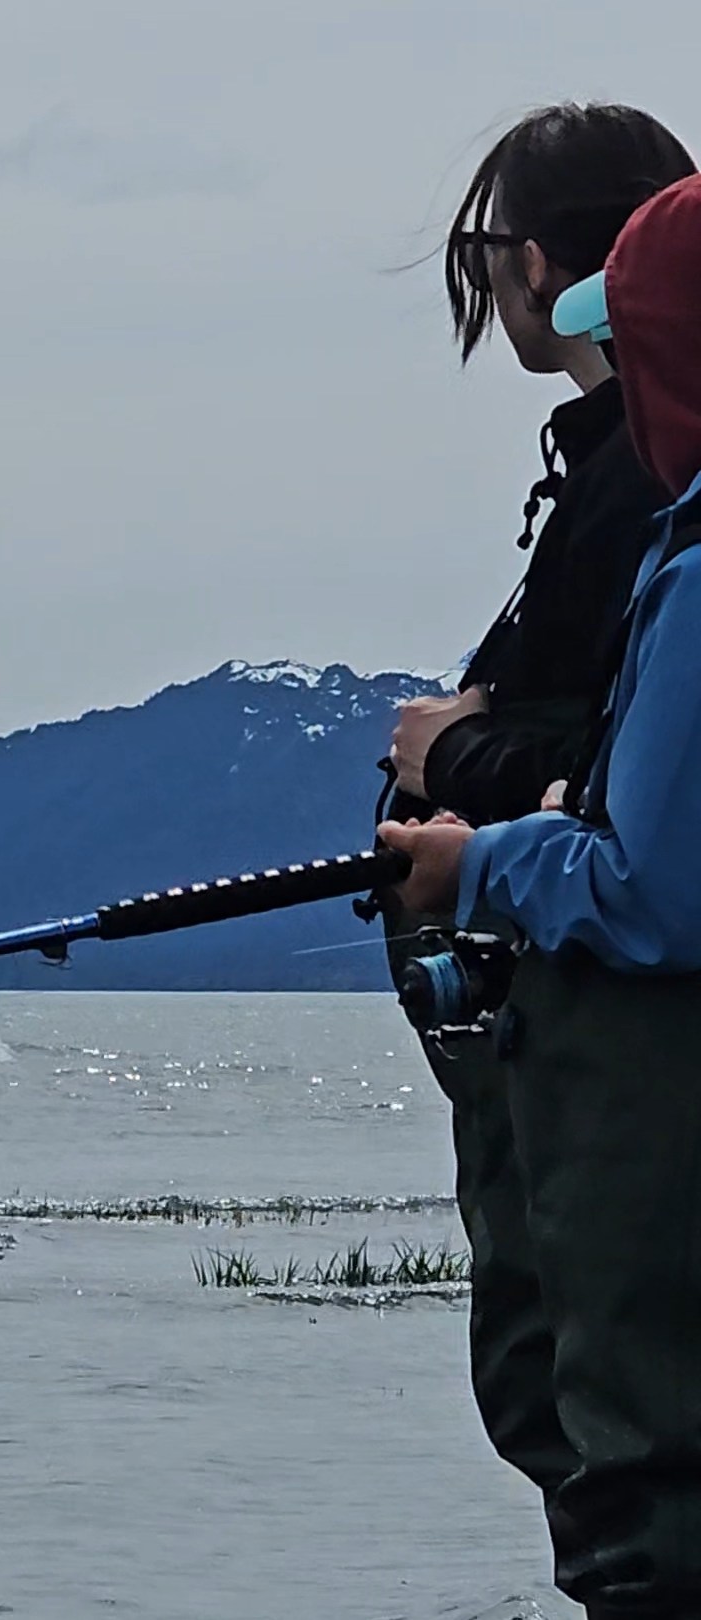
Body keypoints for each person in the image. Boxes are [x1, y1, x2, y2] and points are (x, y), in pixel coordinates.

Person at [383, 170, 701, 1619]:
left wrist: (477, 830)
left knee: (633, 1474)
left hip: (631, 1076)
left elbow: (653, 881)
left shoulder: (679, 545)